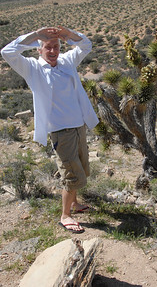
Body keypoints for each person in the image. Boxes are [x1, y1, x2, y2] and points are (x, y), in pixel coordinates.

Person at [1, 26, 99, 233]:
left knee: (82, 167)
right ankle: (65, 216)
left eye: (56, 47)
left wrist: (69, 35)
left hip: (78, 125)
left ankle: (74, 202)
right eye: (47, 47)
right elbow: (7, 52)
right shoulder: (33, 69)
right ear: (39, 49)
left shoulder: (67, 62)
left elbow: (86, 45)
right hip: (61, 131)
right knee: (72, 174)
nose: (52, 51)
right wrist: (35, 35)